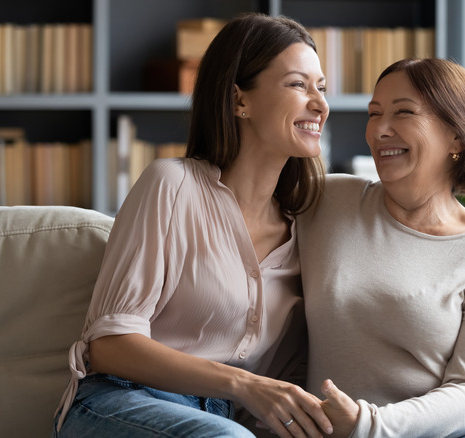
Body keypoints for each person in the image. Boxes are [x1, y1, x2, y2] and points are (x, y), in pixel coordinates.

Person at [52, 13, 334, 438]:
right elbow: (109, 345)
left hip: (221, 420)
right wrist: (245, 385)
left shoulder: (306, 230)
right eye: (298, 84)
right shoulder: (172, 184)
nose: (320, 104)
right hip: (121, 401)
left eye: (322, 87)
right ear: (240, 100)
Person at [296, 58, 465, 438]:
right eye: (374, 114)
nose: (380, 130)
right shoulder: (328, 200)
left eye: (404, 112)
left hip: (460, 432)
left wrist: (368, 425)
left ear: (456, 135)